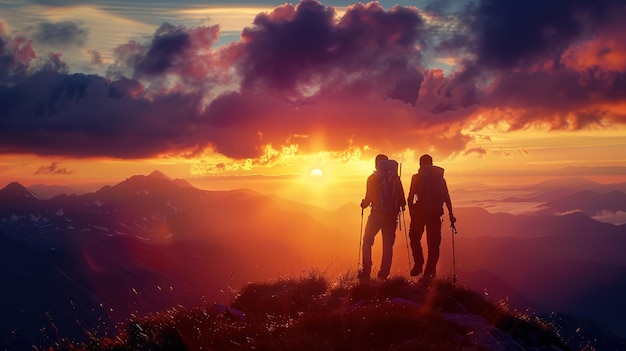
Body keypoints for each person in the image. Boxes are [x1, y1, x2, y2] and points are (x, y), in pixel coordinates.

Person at [407, 154, 456, 281]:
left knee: (414, 238)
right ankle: (428, 275)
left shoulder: (416, 178)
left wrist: (412, 213)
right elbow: (446, 197)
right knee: (433, 245)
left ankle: (419, 263)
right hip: (435, 214)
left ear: (420, 164)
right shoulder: (440, 178)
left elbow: (410, 197)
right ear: (432, 163)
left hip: (419, 214)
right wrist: (451, 215)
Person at [359, 154, 406, 280]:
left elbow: (368, 199)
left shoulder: (372, 178)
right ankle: (383, 275)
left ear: (376, 164)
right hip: (391, 216)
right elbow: (403, 201)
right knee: (388, 246)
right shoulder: (396, 178)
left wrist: (363, 204)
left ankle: (366, 271)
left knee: (367, 241)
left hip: (377, 215)